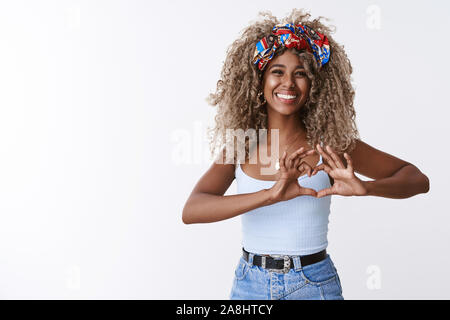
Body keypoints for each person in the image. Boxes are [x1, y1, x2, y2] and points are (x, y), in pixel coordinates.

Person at [182, 9, 430, 300]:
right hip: (249, 285)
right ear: (258, 82)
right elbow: (192, 210)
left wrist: (368, 188)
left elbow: (417, 179)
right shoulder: (243, 145)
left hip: (314, 285)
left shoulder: (331, 144)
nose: (288, 83)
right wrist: (270, 194)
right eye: (278, 72)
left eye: (300, 73)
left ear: (314, 85)